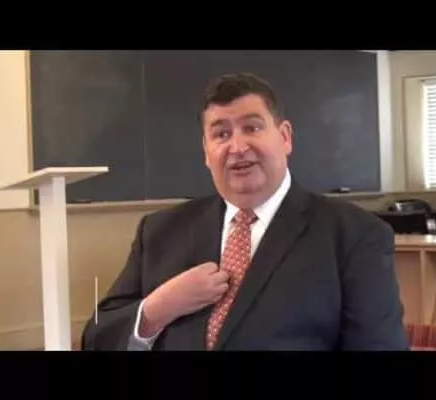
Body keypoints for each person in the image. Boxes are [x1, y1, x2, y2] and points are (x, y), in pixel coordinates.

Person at [81, 72, 409, 351]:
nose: (237, 147)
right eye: (221, 134)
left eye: (251, 128)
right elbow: (96, 339)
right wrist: (157, 309)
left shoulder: (354, 236)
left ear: (285, 137)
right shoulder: (159, 232)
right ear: (206, 151)